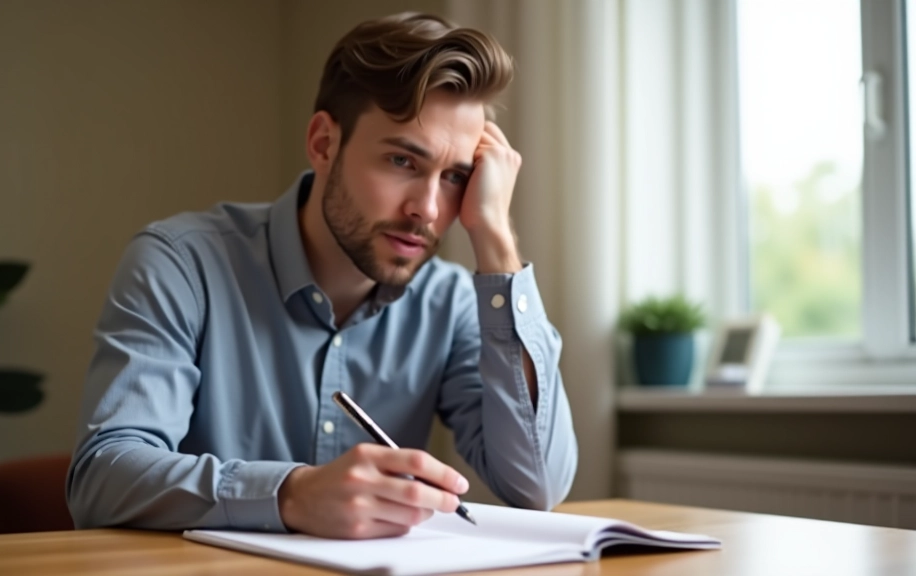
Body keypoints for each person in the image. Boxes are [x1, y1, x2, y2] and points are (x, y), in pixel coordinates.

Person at [66, 12, 576, 540]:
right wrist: (291, 494)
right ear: (323, 144)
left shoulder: (448, 303)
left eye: (455, 177)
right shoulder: (180, 265)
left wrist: (494, 237)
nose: (427, 208)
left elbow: (536, 485)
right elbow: (103, 477)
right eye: (402, 161)